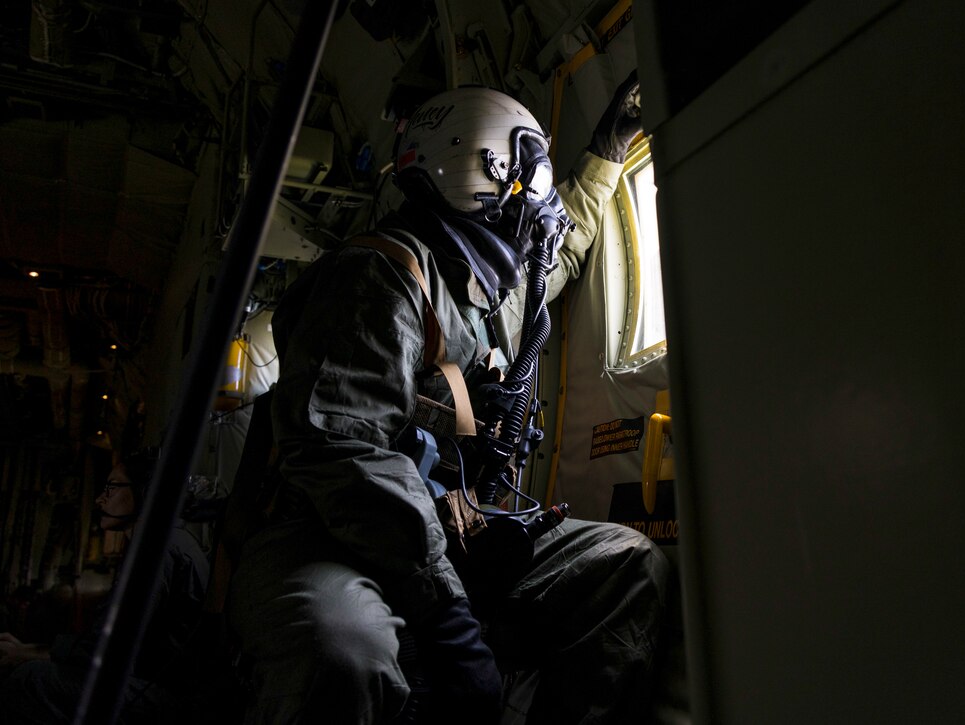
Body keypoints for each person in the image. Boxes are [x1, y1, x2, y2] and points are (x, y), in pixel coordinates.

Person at [227, 72, 668, 724]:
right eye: (530, 178)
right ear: (483, 171)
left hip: (443, 538)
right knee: (347, 651)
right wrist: (448, 615)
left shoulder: (483, 295)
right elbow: (342, 455)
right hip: (323, 537)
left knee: (625, 564)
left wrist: (606, 150)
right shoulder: (375, 276)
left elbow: (563, 246)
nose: (539, 205)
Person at [0, 452, 210, 724]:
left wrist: (25, 654)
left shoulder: (157, 549)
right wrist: (27, 650)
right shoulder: (164, 541)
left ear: (147, 491)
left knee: (29, 680)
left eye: (112, 487)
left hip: (163, 695)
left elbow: (108, 649)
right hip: (153, 685)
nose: (101, 498)